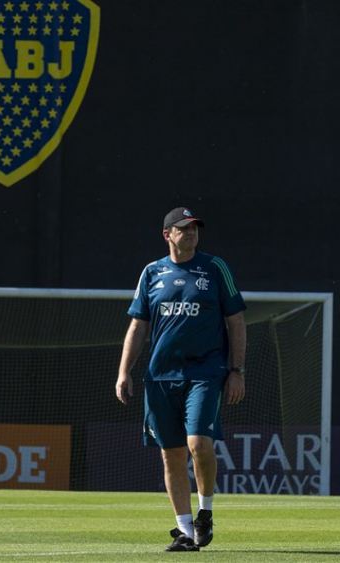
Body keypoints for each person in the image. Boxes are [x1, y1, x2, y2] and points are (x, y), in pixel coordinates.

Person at [115, 206, 247, 552]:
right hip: (160, 377)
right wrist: (124, 370)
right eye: (184, 228)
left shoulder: (214, 268)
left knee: (198, 443)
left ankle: (205, 512)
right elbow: (138, 325)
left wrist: (237, 370)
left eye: (194, 228)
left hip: (204, 372)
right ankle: (186, 532)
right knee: (170, 455)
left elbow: (236, 321)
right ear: (167, 234)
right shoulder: (151, 272)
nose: (191, 233)